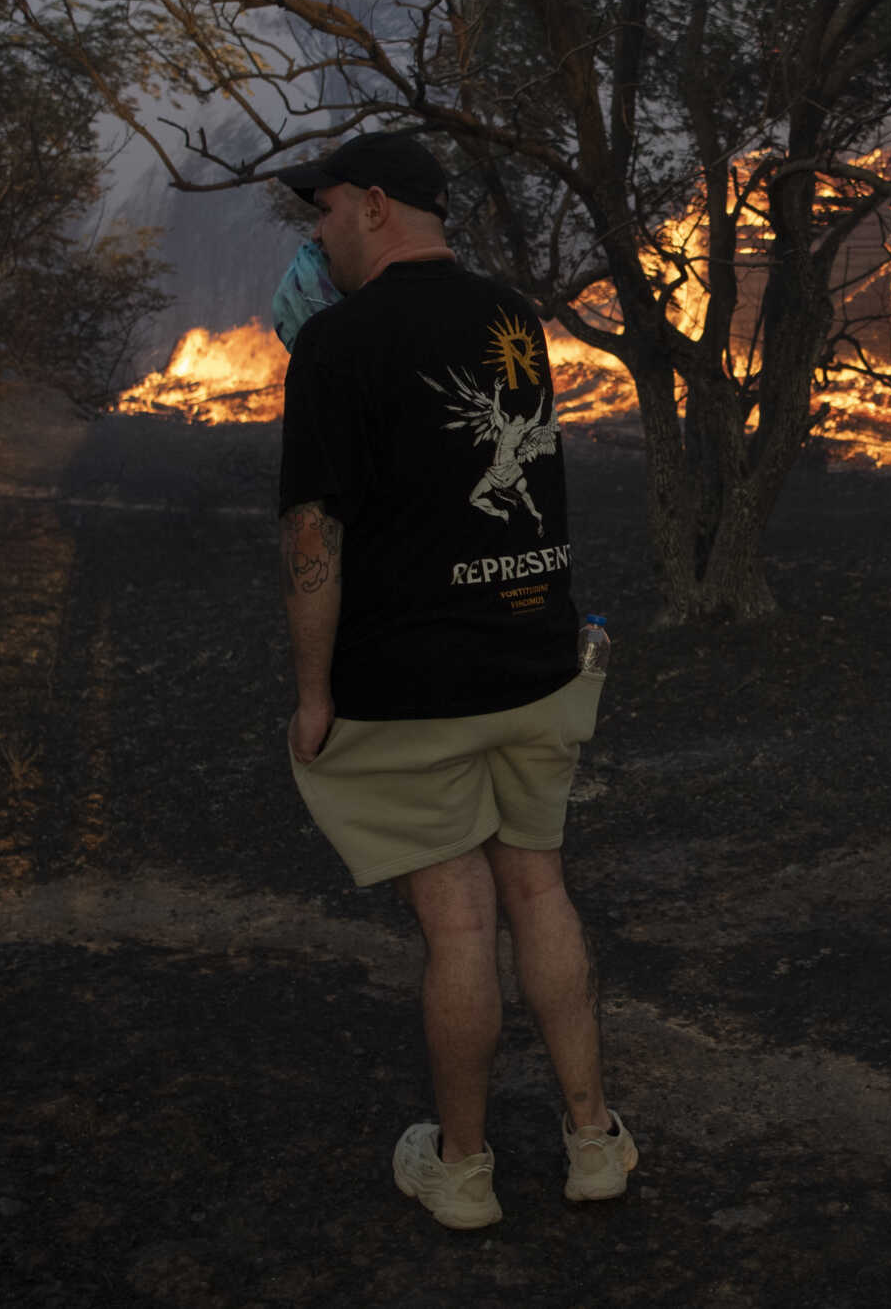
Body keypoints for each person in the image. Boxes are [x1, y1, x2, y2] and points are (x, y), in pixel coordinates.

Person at [273, 131, 635, 1231]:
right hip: (534, 657)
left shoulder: (334, 345)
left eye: (325, 209)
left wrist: (314, 691)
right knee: (541, 894)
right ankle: (591, 1144)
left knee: (462, 932)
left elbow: (311, 535)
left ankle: (465, 1168)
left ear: (375, 203)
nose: (318, 231)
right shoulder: (511, 315)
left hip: (412, 685)